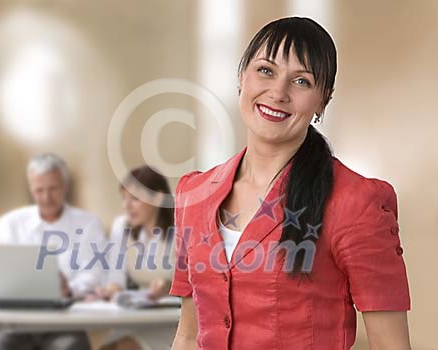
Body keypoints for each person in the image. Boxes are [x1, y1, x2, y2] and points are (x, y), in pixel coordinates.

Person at [170, 17, 411, 350]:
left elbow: (391, 346)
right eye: (266, 71)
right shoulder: (194, 195)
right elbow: (187, 335)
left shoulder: (356, 202)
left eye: (301, 81)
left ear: (323, 100)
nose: (278, 93)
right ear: (241, 77)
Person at [0, 153, 107, 350]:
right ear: (31, 189)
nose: (46, 197)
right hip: (15, 323)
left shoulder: (88, 224)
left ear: (66, 187)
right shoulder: (10, 223)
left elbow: (96, 275)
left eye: (53, 189)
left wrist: (68, 289)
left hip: (65, 324)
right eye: (39, 190)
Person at [98, 165, 176, 350]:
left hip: (174, 319)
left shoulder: (181, 228)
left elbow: (198, 286)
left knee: (125, 347)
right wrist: (110, 291)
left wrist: (168, 287)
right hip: (136, 314)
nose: (127, 206)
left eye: (134, 199)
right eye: (124, 199)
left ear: (157, 197)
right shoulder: (122, 226)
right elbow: (115, 280)